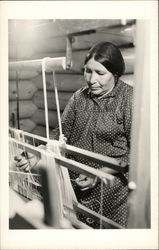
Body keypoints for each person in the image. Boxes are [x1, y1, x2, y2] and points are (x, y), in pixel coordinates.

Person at [15, 42, 133, 228]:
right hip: (75, 187)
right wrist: (36, 154)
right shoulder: (79, 97)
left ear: (115, 73)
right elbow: (59, 135)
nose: (92, 79)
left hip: (111, 194)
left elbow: (135, 154)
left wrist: (99, 173)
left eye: (100, 73)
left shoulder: (129, 99)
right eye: (88, 71)